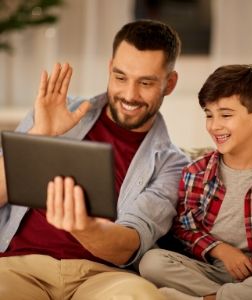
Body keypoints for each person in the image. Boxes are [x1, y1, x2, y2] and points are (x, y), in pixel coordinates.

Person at [0, 19, 189, 300]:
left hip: (101, 277)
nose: (129, 95)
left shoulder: (172, 164)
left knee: (145, 297)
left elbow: (130, 245)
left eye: (146, 83)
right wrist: (40, 134)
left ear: (169, 83)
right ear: (109, 68)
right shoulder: (56, 110)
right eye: (120, 77)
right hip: (20, 266)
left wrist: (83, 226)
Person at [139, 64, 252, 300]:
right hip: (209, 270)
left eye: (225, 115)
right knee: (150, 262)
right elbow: (184, 229)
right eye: (208, 114)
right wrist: (220, 250)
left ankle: (210, 298)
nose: (214, 125)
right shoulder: (196, 172)